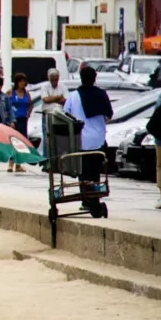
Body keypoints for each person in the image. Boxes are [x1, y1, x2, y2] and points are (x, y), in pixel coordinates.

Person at [64, 66, 113, 212]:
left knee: (84, 172)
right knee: (95, 171)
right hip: (98, 139)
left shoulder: (74, 96)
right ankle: (95, 199)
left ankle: (86, 201)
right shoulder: (102, 94)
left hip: (81, 140)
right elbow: (109, 116)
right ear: (95, 78)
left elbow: (66, 115)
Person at [7, 73, 32, 173]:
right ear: (16, 82)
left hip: (23, 120)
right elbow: (6, 105)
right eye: (20, 81)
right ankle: (10, 164)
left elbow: (30, 105)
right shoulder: (11, 93)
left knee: (21, 143)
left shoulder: (27, 93)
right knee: (13, 142)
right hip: (14, 120)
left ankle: (18, 165)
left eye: (24, 81)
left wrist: (28, 114)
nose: (22, 83)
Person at [40, 69, 67, 156]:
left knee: (58, 139)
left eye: (56, 79)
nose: (54, 82)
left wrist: (52, 99)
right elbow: (45, 99)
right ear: (49, 78)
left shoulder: (63, 86)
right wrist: (58, 97)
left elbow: (65, 100)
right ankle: (46, 160)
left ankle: (56, 159)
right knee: (46, 138)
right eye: (52, 80)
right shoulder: (44, 86)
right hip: (47, 115)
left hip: (59, 115)